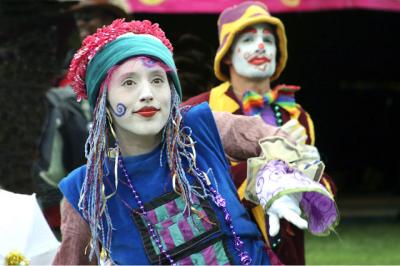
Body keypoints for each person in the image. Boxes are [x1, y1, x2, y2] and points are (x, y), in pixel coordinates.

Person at [52, 19, 337, 264]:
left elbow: (272, 137)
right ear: (103, 100)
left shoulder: (200, 128)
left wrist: (274, 176)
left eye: (157, 80)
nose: (147, 93)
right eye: (129, 83)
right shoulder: (83, 191)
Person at [184, 1, 337, 264]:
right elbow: (190, 184)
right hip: (225, 249)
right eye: (247, 39)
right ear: (228, 54)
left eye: (269, 39)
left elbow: (319, 183)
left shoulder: (297, 114)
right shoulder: (199, 109)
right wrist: (267, 170)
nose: (261, 46)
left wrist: (309, 177)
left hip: (286, 250)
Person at [34, 0, 131, 236]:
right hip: (80, 211)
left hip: (132, 203)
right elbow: (50, 174)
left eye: (88, 15)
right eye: (78, 17)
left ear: (111, 18)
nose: (81, 23)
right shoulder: (63, 81)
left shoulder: (138, 67)